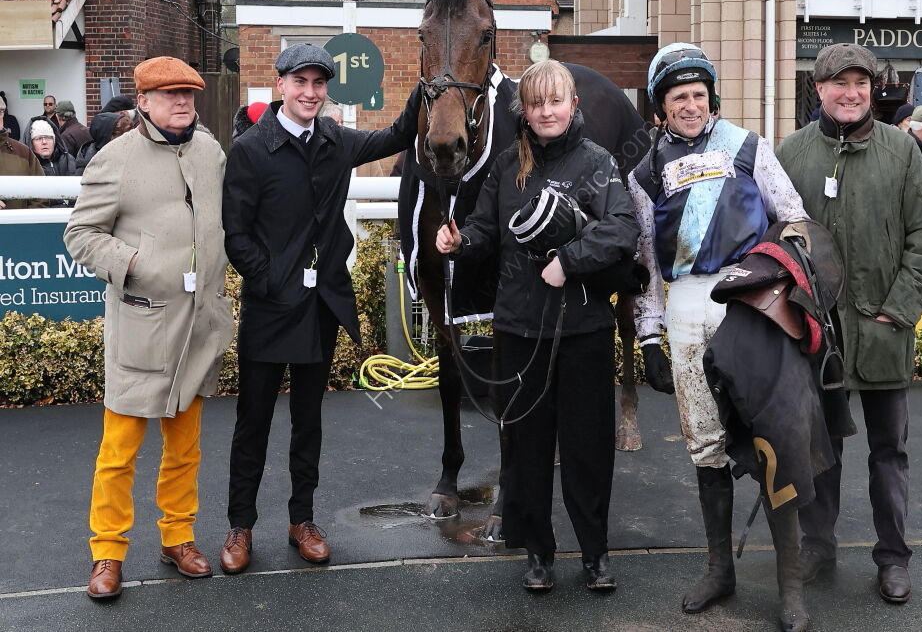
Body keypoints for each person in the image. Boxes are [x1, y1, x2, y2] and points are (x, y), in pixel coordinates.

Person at [627, 43, 812, 630]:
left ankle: (791, 586)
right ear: (661, 106)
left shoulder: (747, 145)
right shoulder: (644, 172)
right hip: (684, 306)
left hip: (747, 302)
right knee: (704, 442)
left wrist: (780, 276)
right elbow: (645, 264)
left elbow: (795, 217)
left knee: (772, 438)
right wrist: (648, 337)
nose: (690, 105)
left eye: (698, 95)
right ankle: (719, 570)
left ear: (712, 97)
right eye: (678, 97)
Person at [436, 59, 639, 593]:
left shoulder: (598, 162)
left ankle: (595, 554)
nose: (546, 111)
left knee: (587, 449)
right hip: (520, 331)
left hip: (583, 331)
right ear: (522, 110)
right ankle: (539, 553)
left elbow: (623, 230)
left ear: (572, 105)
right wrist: (462, 241)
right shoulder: (506, 166)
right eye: (536, 102)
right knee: (525, 451)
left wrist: (569, 261)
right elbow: (485, 229)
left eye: (556, 101)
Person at [220, 44, 420, 573]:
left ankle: (301, 519)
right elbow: (236, 236)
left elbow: (396, 136)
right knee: (253, 422)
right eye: (300, 82)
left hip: (320, 308)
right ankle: (240, 525)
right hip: (270, 307)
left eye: (318, 83)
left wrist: (429, 82)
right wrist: (271, 282)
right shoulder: (250, 149)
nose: (310, 92)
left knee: (309, 421)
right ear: (280, 85)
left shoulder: (335, 140)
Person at [776, 42, 922, 606]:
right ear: (818, 90)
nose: (851, 94)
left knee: (888, 453)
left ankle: (893, 557)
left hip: (883, 330)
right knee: (819, 449)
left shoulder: (901, 152)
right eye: (839, 84)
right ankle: (818, 547)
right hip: (816, 334)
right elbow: (774, 243)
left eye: (861, 85)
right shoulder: (792, 152)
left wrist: (897, 309)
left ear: (872, 92)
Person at [64, 56, 235, 600]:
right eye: (169, 94)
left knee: (185, 449)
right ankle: (107, 552)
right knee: (119, 451)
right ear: (142, 101)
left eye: (189, 93)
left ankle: (178, 537)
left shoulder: (211, 152)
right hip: (141, 328)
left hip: (198, 327)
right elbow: (81, 234)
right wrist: (135, 263)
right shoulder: (115, 159)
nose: (183, 101)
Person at [1, 94, 46, 209]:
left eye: (0, 112)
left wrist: (26, 223)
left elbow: (41, 195)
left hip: (17, 226)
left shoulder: (23, 152)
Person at [76, 111, 136, 175]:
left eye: (133, 129)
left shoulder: (132, 154)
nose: (134, 135)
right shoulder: (88, 168)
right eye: (128, 131)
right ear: (111, 136)